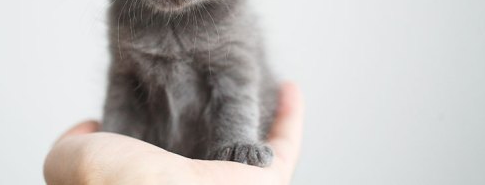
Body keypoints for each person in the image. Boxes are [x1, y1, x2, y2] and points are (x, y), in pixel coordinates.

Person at [44, 82, 303, 185]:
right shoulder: (125, 11)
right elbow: (125, 94)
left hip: (215, 147)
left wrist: (239, 143)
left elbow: (235, 88)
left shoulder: (232, 20)